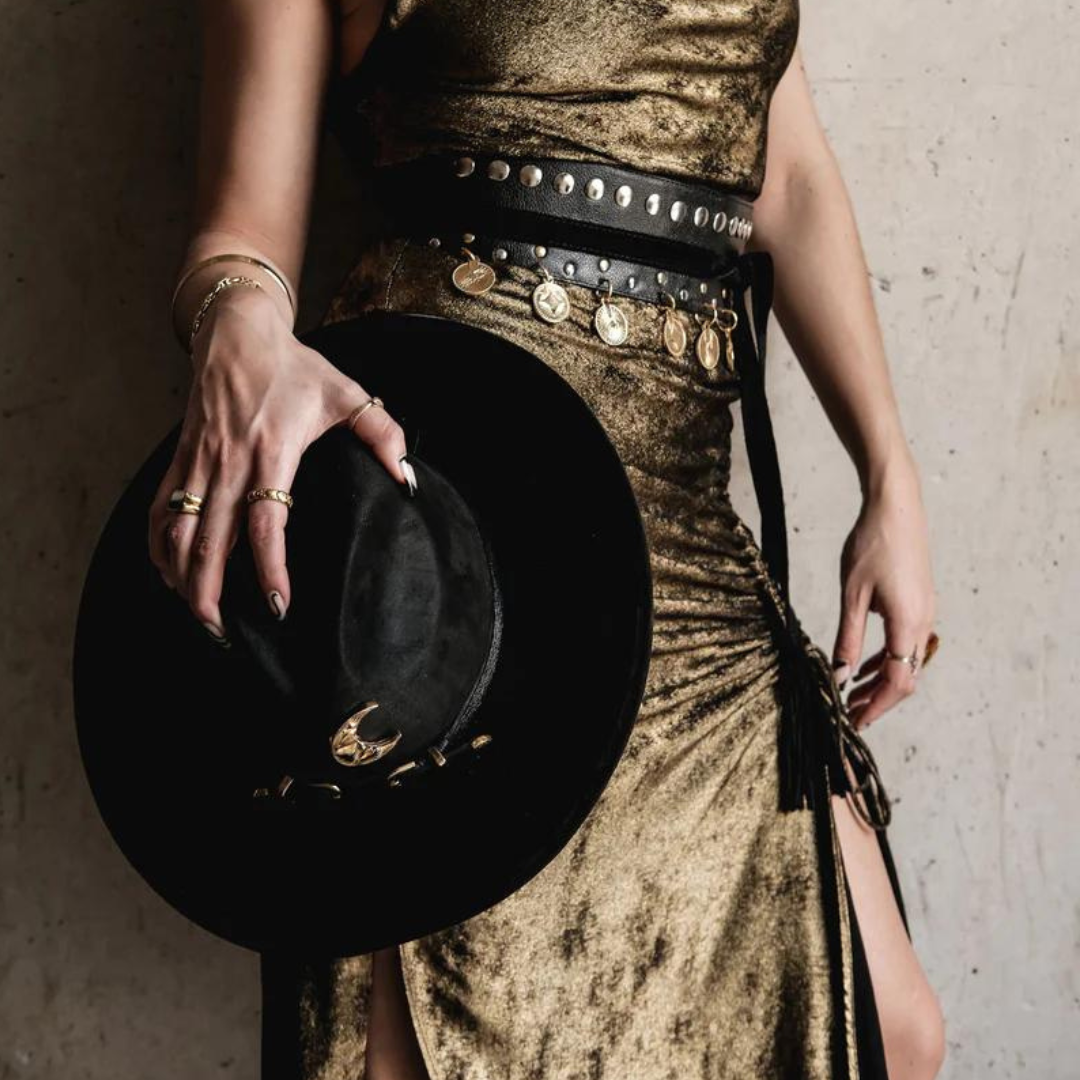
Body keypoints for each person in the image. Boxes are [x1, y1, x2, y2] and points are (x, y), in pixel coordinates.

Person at [154, 1, 945, 1078]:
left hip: (687, 548)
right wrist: (238, 323)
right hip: (456, 548)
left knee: (887, 1031)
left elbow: (788, 177)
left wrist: (889, 472)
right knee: (437, 1045)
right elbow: (238, 234)